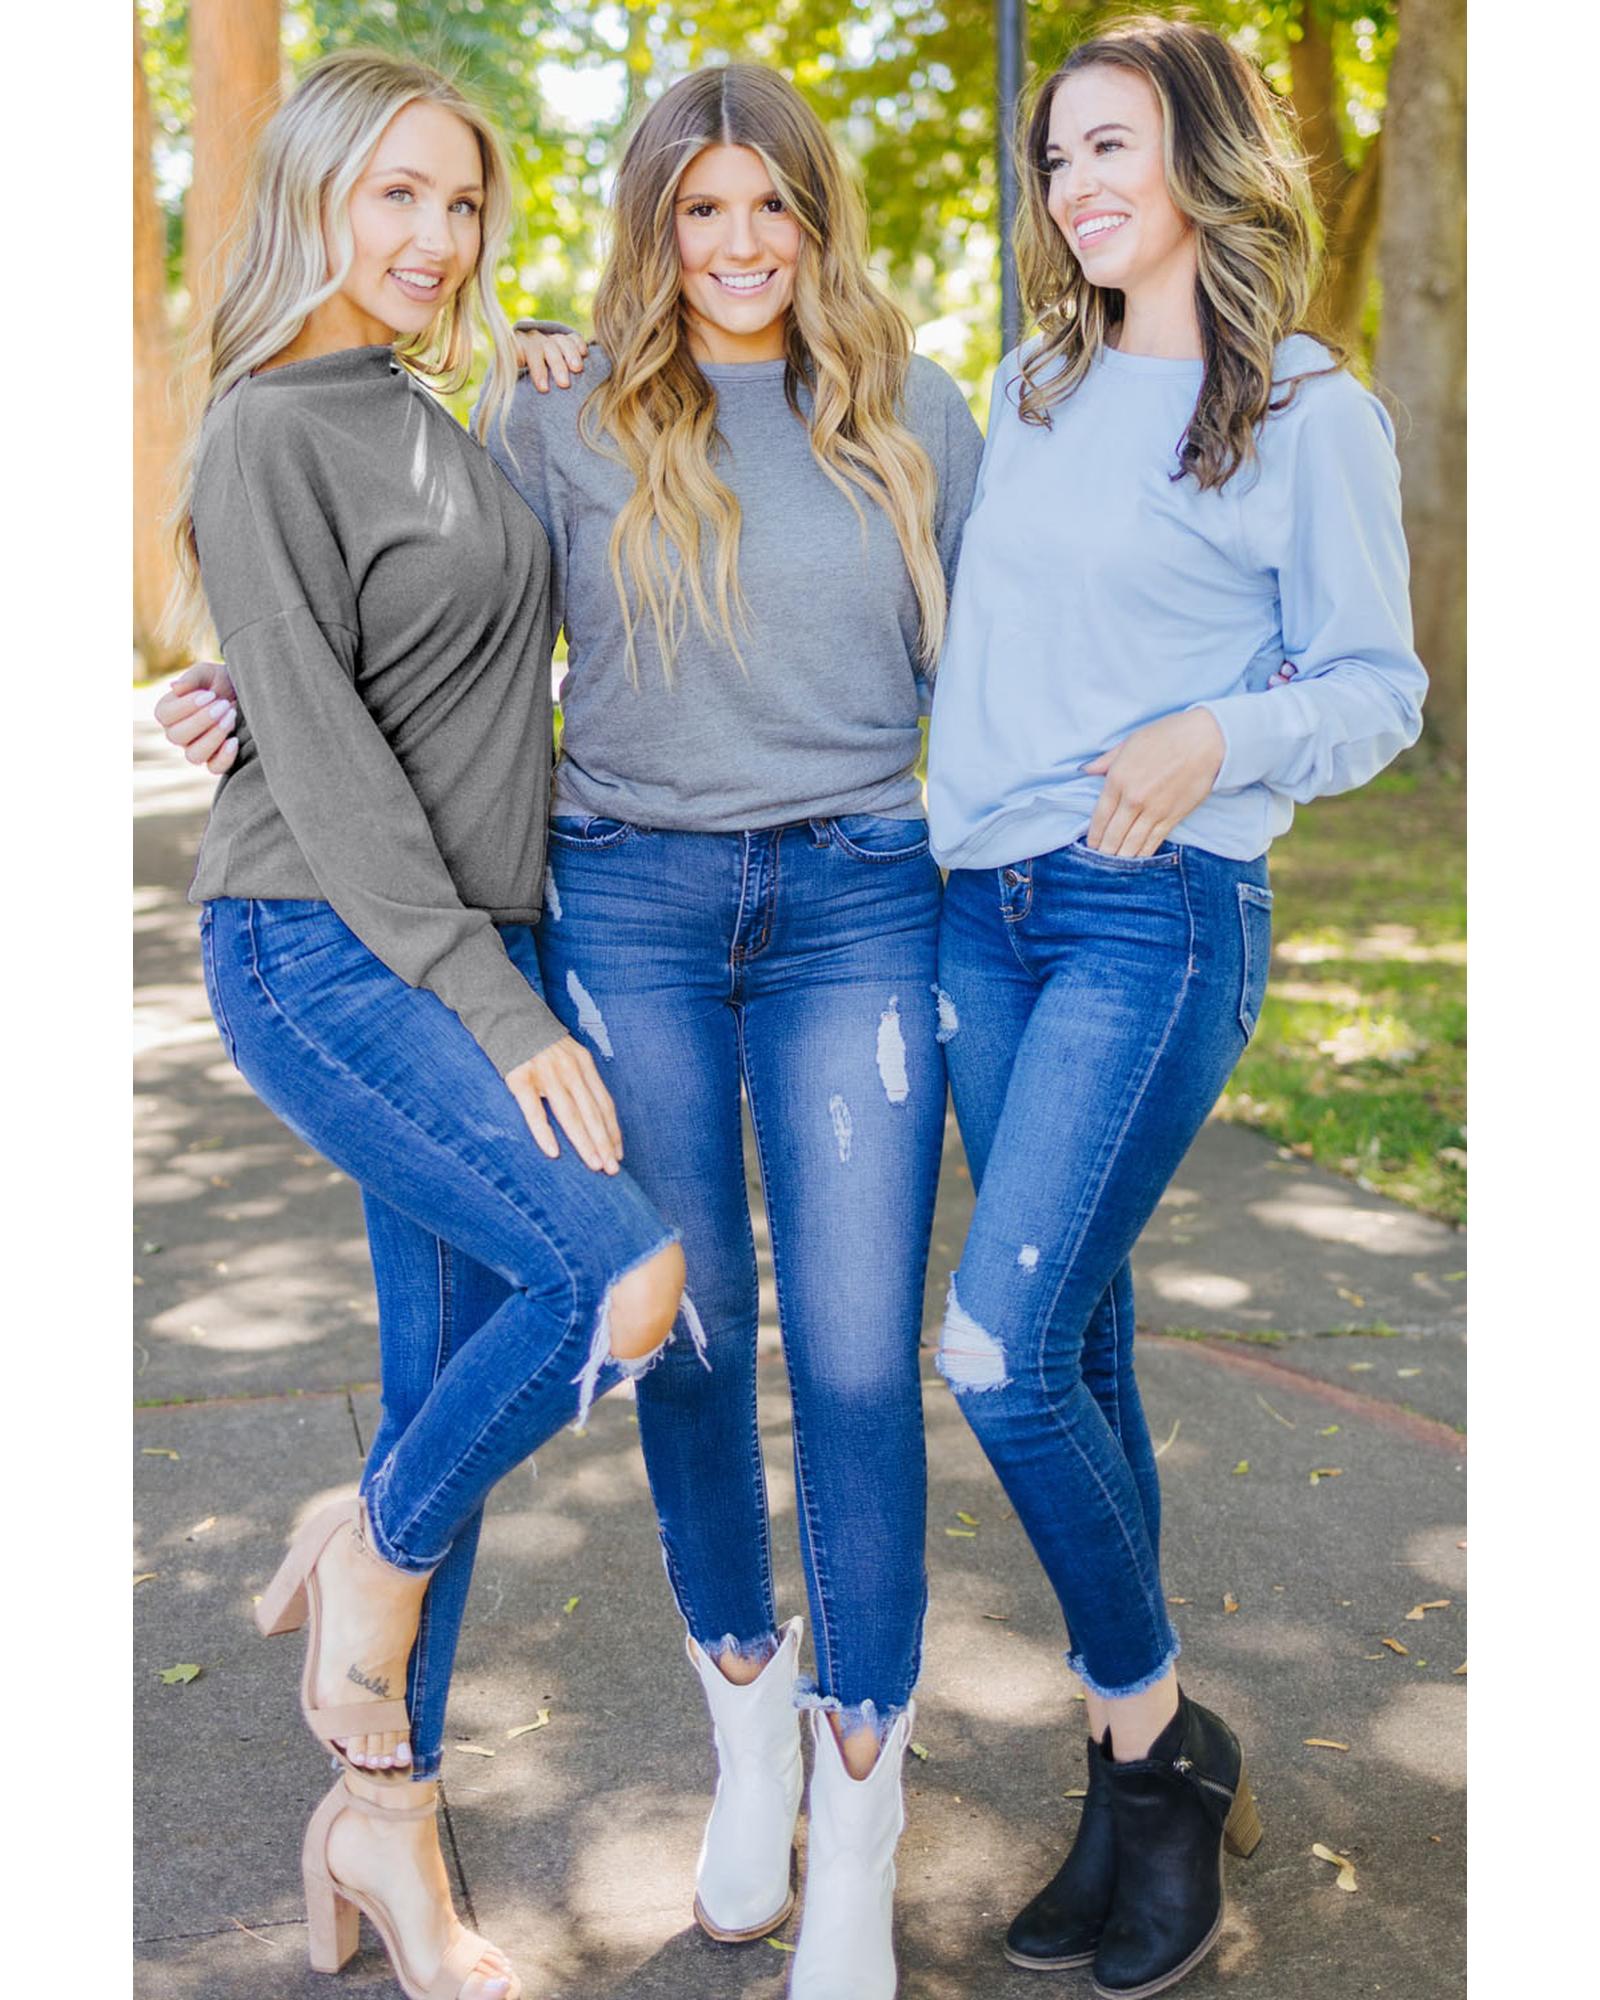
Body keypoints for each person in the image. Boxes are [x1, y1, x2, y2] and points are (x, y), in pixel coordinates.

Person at [162, 60, 981, 2000]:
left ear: (818, 216)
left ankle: (824, 1824)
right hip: (563, 921)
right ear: (651, 226)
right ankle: (700, 1732)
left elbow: (1018, 644)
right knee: (660, 1317)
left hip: (830, 902)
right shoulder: (522, 409)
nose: (739, 243)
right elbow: (372, 657)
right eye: (698, 209)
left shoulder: (895, 411)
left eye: (771, 204)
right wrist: (258, 694)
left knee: (823, 1362)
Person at [168, 49, 685, 2000]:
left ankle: (380, 1818)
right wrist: (495, 1004)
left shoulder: (419, 405)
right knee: (612, 1281)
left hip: (458, 943)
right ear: (312, 194)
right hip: (330, 948)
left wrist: (531, 385)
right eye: (395, 193)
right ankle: (366, 1549)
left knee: (449, 1367)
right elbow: (333, 766)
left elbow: (432, 662)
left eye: (460, 201)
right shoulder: (261, 431)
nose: (436, 235)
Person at [924, 17, 1426, 1998]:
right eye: (1055, 156)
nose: (1073, 187)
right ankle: (1132, 1789)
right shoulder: (1027, 385)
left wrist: (1219, 729)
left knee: (996, 1349)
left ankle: (1157, 1747)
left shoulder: (1305, 406)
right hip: (981, 919)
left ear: (1205, 157)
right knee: (1080, 1344)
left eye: (1111, 145)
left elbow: (1376, 689)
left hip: (1153, 915)